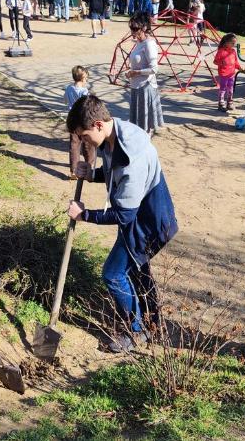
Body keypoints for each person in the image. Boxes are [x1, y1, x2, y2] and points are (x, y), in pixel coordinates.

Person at [65, 95, 178, 353]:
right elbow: (113, 172)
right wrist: (93, 174)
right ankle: (153, 323)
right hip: (142, 216)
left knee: (113, 274)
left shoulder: (131, 155)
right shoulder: (114, 136)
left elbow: (123, 215)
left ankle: (134, 331)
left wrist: (84, 214)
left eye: (83, 137)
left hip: (148, 222)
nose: (84, 143)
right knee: (137, 270)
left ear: (97, 125)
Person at [126, 12, 164, 135]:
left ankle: (145, 147)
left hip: (145, 88)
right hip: (136, 86)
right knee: (138, 123)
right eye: (131, 27)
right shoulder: (139, 43)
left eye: (135, 28)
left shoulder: (149, 44)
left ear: (143, 28)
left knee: (145, 125)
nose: (132, 31)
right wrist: (131, 72)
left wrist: (136, 72)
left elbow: (154, 69)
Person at [64, 66, 96, 179]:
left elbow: (65, 100)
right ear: (83, 78)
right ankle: (90, 167)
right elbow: (87, 106)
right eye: (86, 78)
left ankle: (73, 171)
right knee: (88, 144)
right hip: (83, 120)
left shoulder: (68, 89)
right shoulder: (84, 92)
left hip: (72, 119)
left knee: (74, 145)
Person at [213, 33, 242, 112]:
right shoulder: (221, 51)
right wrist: (221, 63)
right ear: (226, 42)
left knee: (231, 89)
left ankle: (229, 102)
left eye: (234, 43)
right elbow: (215, 61)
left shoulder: (233, 51)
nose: (234, 44)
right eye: (232, 43)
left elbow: (235, 61)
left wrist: (239, 67)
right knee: (222, 89)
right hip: (223, 74)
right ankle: (221, 104)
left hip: (231, 74)